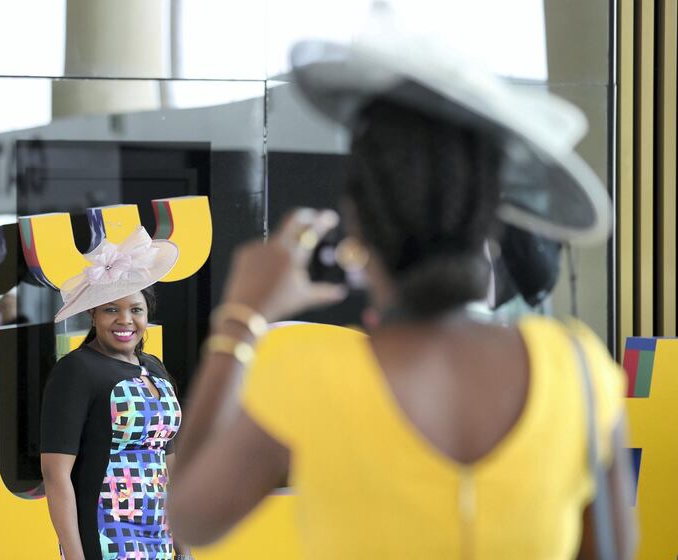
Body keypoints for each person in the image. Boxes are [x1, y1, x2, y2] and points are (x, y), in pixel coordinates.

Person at [167, 33, 636, 560]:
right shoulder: (579, 368)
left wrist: (241, 317)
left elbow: (190, 519)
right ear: (489, 216)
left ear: (359, 220)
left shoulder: (305, 372)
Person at [40, 227, 192, 560]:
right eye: (111, 309)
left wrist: (184, 540)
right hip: (108, 530)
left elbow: (169, 461)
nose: (125, 320)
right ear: (92, 314)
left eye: (136, 309)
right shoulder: (77, 370)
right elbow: (55, 473)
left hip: (162, 529)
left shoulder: (154, 367)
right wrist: (74, 555)